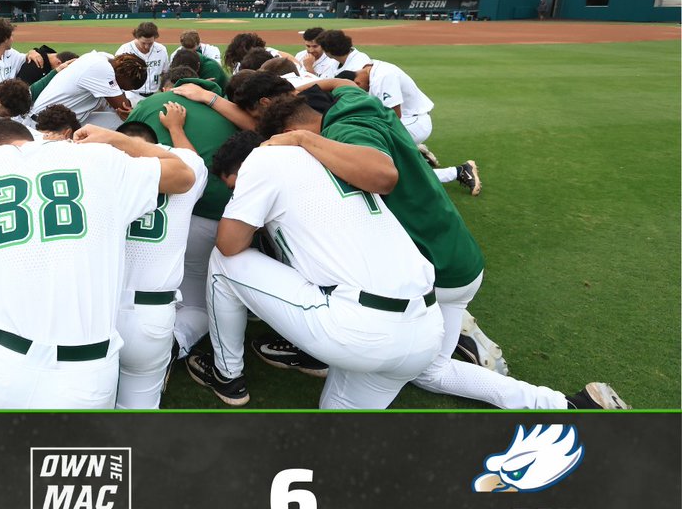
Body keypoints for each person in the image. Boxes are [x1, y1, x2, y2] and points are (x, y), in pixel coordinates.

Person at [254, 88, 630, 410]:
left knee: (368, 344)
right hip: (462, 262)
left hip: (432, 277)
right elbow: (338, 82)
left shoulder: (343, 129)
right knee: (431, 370)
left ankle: (462, 338)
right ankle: (567, 404)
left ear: (291, 130)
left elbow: (382, 175)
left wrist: (305, 142)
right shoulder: (351, 99)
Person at [0, 121, 196, 408]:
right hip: (89, 377)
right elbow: (183, 176)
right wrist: (116, 139)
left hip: (0, 371)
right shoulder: (98, 157)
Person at [189, 130, 443, 408]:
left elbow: (228, 244)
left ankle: (226, 375)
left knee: (224, 262)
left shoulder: (261, 159)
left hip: (357, 331)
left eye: (234, 188)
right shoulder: (321, 152)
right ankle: (311, 352)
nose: (236, 194)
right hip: (427, 330)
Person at [124, 76, 239, 359]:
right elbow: (192, 165)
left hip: (104, 305)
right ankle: (178, 342)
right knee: (199, 305)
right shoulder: (228, 111)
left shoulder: (150, 106)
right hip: (206, 218)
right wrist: (176, 130)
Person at [114, 118, 206, 409]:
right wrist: (176, 128)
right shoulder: (188, 166)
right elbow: (189, 160)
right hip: (151, 315)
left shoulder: (98, 171)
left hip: (94, 310)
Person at [353, 61, 479, 195]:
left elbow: (394, 117)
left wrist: (394, 142)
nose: (365, 91)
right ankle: (415, 150)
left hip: (416, 122)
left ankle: (458, 171)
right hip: (409, 119)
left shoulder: (382, 77)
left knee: (397, 171)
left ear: (357, 83)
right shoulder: (369, 69)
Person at [29, 52, 146, 129]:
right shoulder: (102, 68)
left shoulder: (100, 57)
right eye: (122, 87)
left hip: (59, 120)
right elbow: (123, 107)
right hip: (43, 125)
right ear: (124, 75)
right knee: (130, 125)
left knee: (116, 120)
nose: (120, 90)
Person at [115, 22, 170, 98]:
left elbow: (166, 72)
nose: (147, 46)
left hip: (154, 95)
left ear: (155, 37)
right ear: (137, 37)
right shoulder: (125, 50)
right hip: (131, 95)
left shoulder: (161, 50)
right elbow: (116, 75)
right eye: (143, 43)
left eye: (150, 43)